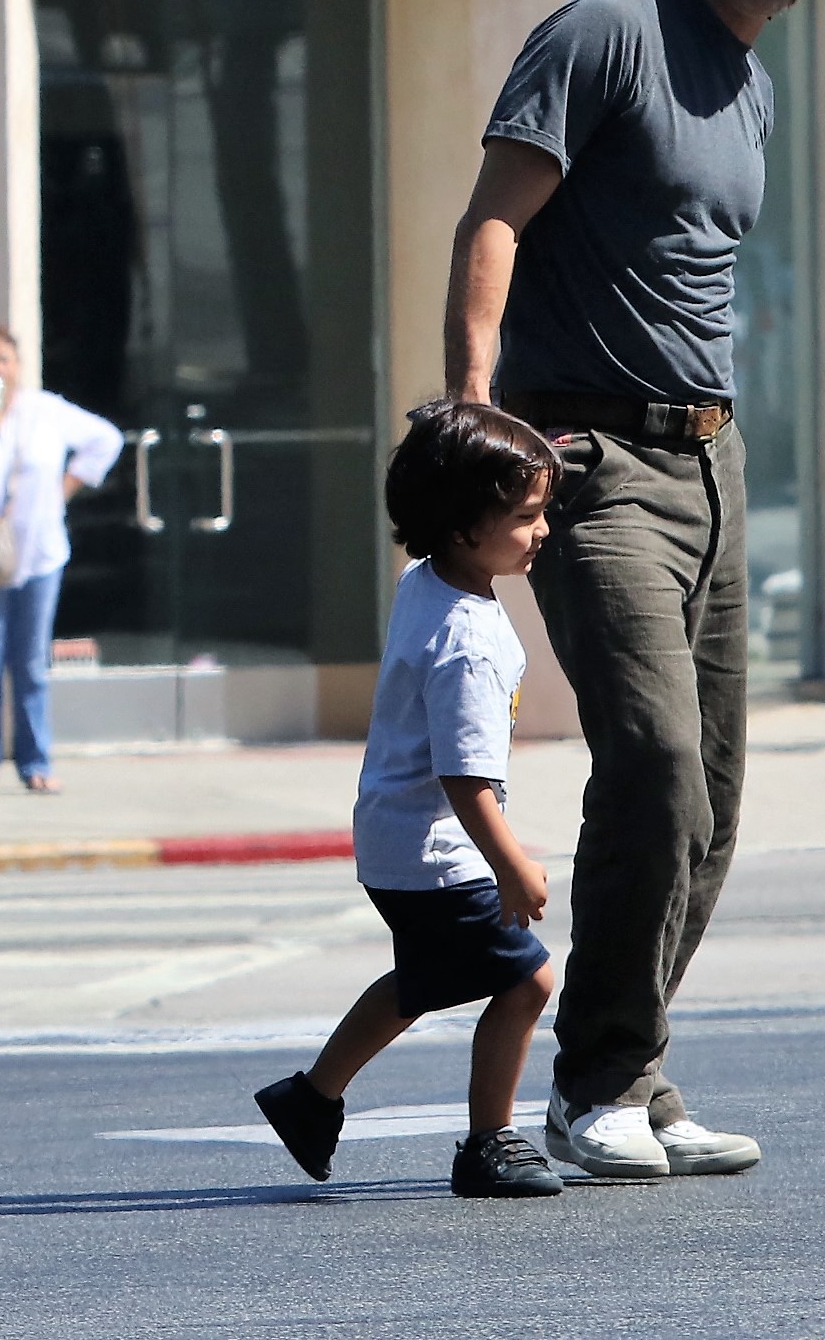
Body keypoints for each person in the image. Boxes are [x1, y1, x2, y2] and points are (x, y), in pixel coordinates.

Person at [444, 0, 825, 1181]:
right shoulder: (608, 28)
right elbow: (494, 218)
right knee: (656, 762)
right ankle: (598, 1080)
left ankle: (633, 1067)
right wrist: (477, 419)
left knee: (717, 798)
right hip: (596, 462)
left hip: (714, 463)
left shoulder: (748, 84)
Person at [255, 399, 564, 1200]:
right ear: (464, 526)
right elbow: (465, 777)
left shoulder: (424, 581)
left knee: (421, 981)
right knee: (529, 981)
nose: (541, 530)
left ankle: (311, 1098)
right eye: (526, 515)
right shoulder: (469, 643)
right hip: (436, 852)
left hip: (393, 842)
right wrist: (513, 865)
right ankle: (490, 1143)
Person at [0, 323, 124, 795]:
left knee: (31, 663)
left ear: (19, 365)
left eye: (5, 361)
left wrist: (66, 489)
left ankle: (36, 763)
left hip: (38, 556)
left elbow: (106, 439)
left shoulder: (45, 412)